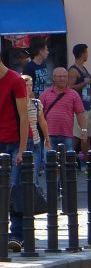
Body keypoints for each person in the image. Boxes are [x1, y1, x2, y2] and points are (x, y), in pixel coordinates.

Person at [0, 53, 30, 252]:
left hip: (13, 143)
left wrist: (22, 149)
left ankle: (17, 235)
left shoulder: (15, 80)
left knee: (15, 189)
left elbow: (24, 116)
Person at [40, 67, 85, 155]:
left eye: (65, 76)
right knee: (49, 164)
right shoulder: (45, 94)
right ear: (54, 78)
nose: (62, 79)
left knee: (68, 164)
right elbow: (38, 114)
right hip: (49, 135)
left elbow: (80, 113)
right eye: (60, 76)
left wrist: (84, 129)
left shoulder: (73, 94)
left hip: (67, 135)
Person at [67, 43, 91, 162]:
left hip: (87, 107)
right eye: (86, 52)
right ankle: (67, 159)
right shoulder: (74, 70)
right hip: (78, 109)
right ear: (82, 54)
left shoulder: (84, 69)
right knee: (76, 136)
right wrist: (85, 83)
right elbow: (69, 88)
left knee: (87, 136)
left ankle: (87, 161)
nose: (88, 55)